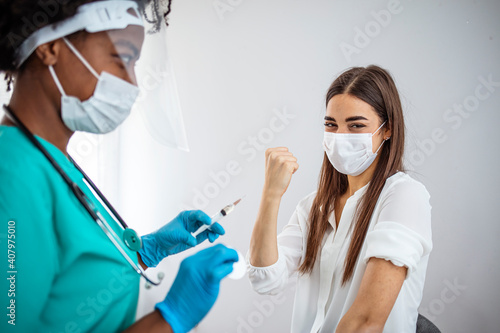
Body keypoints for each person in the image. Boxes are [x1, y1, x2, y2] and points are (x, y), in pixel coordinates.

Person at [0, 1, 238, 332]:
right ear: (50, 48)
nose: (133, 83)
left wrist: (148, 250)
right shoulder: (11, 173)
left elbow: (67, 286)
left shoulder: (51, 160)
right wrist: (170, 319)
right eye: (123, 58)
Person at [248, 65, 433, 332]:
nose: (340, 137)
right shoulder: (314, 207)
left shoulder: (404, 196)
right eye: (331, 125)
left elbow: (366, 322)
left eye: (356, 125)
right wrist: (271, 194)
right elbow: (264, 278)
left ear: (387, 129)